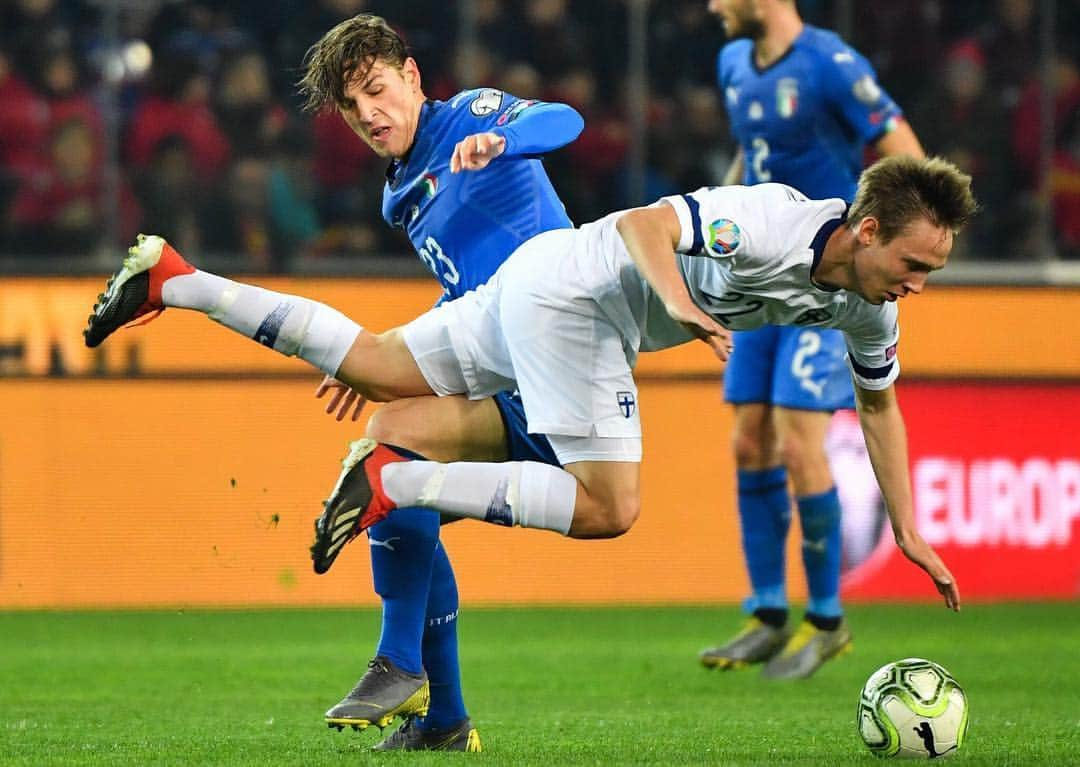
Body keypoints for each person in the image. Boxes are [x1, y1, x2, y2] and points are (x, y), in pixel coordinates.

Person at [84, 156, 972, 651]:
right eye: (915, 265)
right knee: (608, 506)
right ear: (866, 230)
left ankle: (181, 279)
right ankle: (401, 482)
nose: (918, 286)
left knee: (376, 364)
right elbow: (645, 225)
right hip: (581, 301)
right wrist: (679, 303)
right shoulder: (775, 220)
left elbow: (880, 407)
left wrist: (907, 527)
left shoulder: (870, 302)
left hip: (533, 283)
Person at [108, 14, 583, 752]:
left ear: (413, 76)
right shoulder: (400, 194)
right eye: (353, 107)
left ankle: (404, 666)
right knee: (390, 474)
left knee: (391, 461)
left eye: (377, 89)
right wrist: (394, 362)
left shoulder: (473, 117)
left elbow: (564, 119)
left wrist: (505, 139)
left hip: (560, 365)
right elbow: (470, 290)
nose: (369, 114)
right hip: (504, 369)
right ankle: (443, 717)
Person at [702, 0, 927, 679]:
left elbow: (905, 150)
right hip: (760, 274)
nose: (713, 6)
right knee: (749, 437)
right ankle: (769, 612)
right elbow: (755, 151)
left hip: (827, 283)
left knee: (802, 438)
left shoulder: (831, 65)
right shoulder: (733, 62)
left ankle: (826, 618)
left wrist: (897, 252)